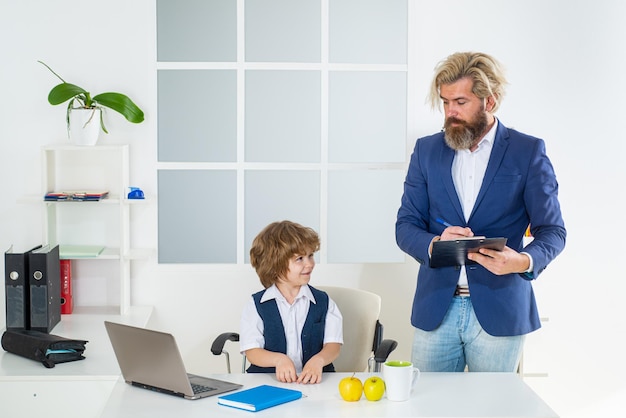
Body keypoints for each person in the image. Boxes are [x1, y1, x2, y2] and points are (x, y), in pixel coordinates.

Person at [395, 52, 566, 372]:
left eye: (460, 101)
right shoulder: (426, 150)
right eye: (445, 102)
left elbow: (553, 231)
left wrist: (522, 261)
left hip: (501, 309)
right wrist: (435, 242)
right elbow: (406, 225)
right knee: (429, 408)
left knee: (493, 408)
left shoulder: (527, 152)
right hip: (436, 310)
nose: (450, 112)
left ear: (490, 100)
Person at [239, 220, 343, 384]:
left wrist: (320, 360)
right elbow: (252, 350)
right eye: (299, 259)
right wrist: (278, 360)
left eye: (310, 256)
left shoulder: (324, 301)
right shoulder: (256, 305)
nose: (309, 264)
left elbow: (333, 345)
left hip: (314, 383)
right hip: (268, 383)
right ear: (275, 264)